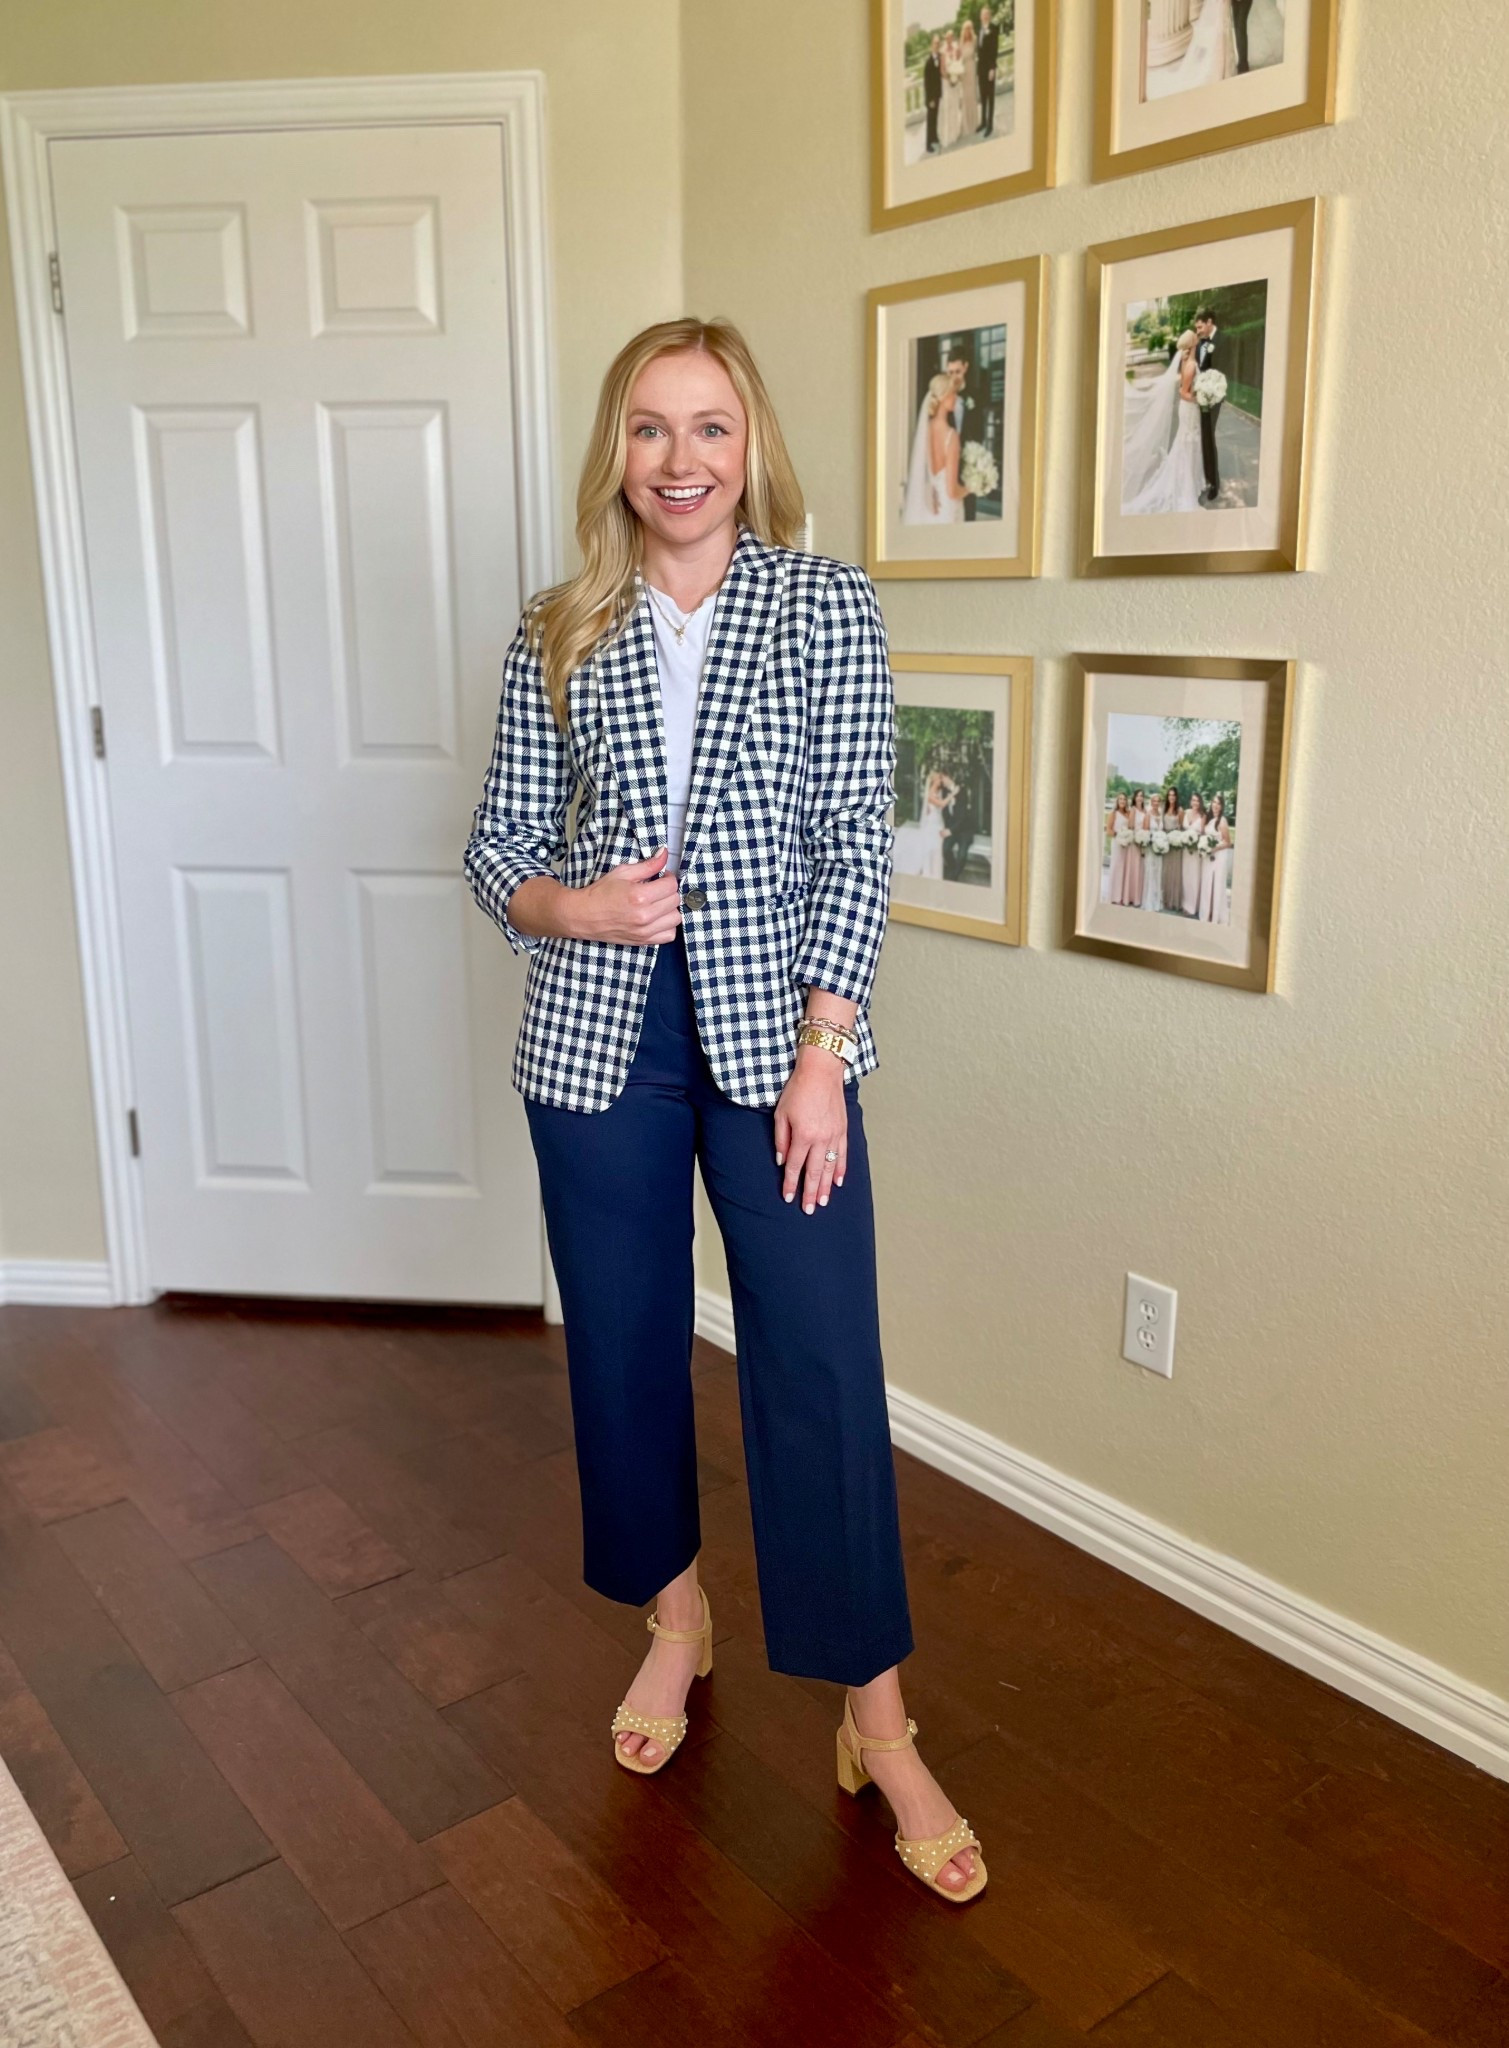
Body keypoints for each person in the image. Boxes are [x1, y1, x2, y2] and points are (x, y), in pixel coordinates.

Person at [464, 317, 985, 1903]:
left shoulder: (825, 609)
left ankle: (875, 1719)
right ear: (612, 453)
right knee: (620, 1348)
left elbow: (850, 843)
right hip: (597, 1055)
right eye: (647, 428)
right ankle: (673, 1623)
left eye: (708, 427)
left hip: (781, 1056)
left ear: (750, 444)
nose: (678, 461)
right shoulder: (556, 629)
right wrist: (569, 910)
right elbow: (495, 849)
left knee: (820, 1362)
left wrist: (830, 1053)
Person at [1123, 331, 1206, 517]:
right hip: (1190, 409)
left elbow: (1181, 388)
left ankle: (1187, 482)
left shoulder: (1186, 361)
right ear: (1193, 344)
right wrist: (1202, 399)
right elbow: (1184, 392)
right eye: (1196, 339)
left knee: (1187, 444)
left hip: (1187, 409)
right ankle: (1185, 487)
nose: (1198, 341)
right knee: (1188, 443)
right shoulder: (1191, 364)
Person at [901, 370, 973, 525]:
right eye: (953, 393)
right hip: (947, 509)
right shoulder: (951, 436)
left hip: (930, 506)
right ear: (943, 396)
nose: (956, 398)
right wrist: (970, 488)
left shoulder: (925, 430)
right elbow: (952, 491)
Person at [1194, 309, 1227, 506]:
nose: (1197, 331)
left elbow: (1227, 368)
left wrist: (1217, 392)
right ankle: (1206, 477)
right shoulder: (1200, 343)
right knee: (1203, 437)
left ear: (1209, 322)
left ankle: (1214, 484)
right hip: (1202, 395)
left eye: (1200, 327)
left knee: (1209, 436)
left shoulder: (1224, 339)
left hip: (1215, 395)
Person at [1199, 794, 1234, 922]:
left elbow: (1228, 842)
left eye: (1218, 803)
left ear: (1221, 806)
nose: (1215, 805)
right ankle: (1206, 913)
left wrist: (1213, 848)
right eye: (1214, 802)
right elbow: (1203, 835)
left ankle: (1216, 915)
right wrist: (1204, 846)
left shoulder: (1222, 820)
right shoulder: (1208, 818)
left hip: (1219, 855)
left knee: (1217, 884)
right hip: (1208, 856)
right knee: (1207, 883)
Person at [1182, 792, 1207, 916]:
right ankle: (1185, 904)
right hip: (1186, 850)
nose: (1195, 803)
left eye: (1197, 800)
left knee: (1194, 877)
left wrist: (1196, 842)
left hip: (1195, 851)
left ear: (1200, 802)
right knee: (1186, 876)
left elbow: (1203, 834)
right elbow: (1183, 830)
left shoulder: (1203, 816)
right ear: (1191, 802)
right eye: (1193, 800)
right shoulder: (1186, 813)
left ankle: (1193, 907)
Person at [977, 3, 1000, 137]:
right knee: (983, 96)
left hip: (989, 69)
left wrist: (992, 68)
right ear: (980, 17)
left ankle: (990, 125)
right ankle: (983, 122)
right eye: (983, 14)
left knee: (990, 97)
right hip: (980, 69)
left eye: (987, 14)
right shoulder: (979, 30)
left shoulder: (994, 28)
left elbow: (994, 50)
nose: (985, 16)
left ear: (989, 16)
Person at [940, 32, 966, 149]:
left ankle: (956, 132)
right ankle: (949, 134)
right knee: (949, 107)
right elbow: (942, 69)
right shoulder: (942, 51)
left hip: (955, 81)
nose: (949, 39)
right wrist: (949, 79)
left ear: (953, 38)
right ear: (945, 39)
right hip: (947, 82)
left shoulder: (956, 47)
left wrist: (957, 75)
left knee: (956, 106)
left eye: (951, 37)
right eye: (947, 37)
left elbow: (959, 60)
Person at [1107, 792, 1133, 904]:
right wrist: (1119, 836)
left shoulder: (1128, 813)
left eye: (1124, 799)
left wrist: (1127, 837)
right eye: (1120, 799)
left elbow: (1131, 827)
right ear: (1117, 801)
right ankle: (1114, 896)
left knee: (1124, 869)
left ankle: (1121, 896)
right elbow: (1108, 830)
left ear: (1126, 801)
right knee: (1116, 868)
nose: (1122, 801)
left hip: (1126, 845)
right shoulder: (1113, 813)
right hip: (1117, 844)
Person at [1143, 793, 1166, 914]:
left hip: (1160, 849)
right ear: (1151, 802)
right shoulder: (1148, 815)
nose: (1156, 803)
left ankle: (1157, 901)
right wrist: (1153, 842)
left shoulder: (1160, 815)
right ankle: (1149, 901)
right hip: (1151, 849)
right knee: (1151, 873)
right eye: (1154, 801)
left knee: (1158, 873)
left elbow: (1162, 832)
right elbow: (1146, 833)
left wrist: (1161, 842)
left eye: (1158, 801)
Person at [1162, 783, 1184, 914]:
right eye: (1169, 795)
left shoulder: (1179, 810)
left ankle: (1173, 901)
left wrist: (1175, 837)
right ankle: (1165, 899)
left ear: (1176, 797)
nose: (1171, 797)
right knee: (1165, 871)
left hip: (1175, 845)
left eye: (1173, 795)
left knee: (1174, 872)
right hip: (1165, 843)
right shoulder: (1164, 809)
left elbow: (1181, 828)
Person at [923, 34, 943, 154]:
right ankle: (928, 144)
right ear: (932, 46)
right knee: (930, 120)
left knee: (935, 118)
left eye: (938, 43)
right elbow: (927, 83)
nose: (937, 45)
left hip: (937, 95)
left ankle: (934, 137)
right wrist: (930, 99)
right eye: (935, 43)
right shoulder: (928, 62)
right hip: (931, 97)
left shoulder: (940, 58)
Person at [960, 19, 980, 137]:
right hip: (964, 71)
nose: (967, 31)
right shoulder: (961, 42)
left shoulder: (975, 40)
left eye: (969, 28)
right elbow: (958, 58)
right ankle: (966, 124)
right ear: (963, 30)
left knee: (972, 95)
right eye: (965, 29)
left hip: (972, 68)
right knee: (966, 97)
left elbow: (978, 54)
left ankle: (974, 123)